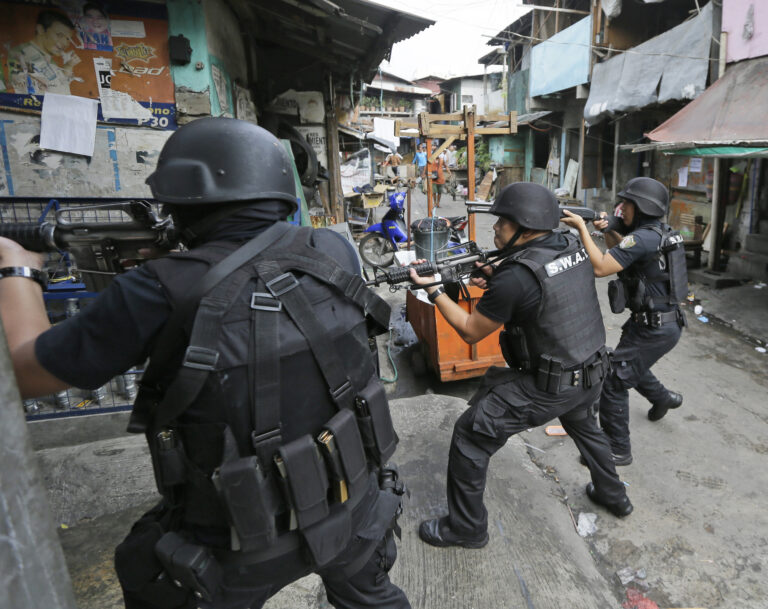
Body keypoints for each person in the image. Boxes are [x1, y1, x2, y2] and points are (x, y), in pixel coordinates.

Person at [0, 118, 410, 609]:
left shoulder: (156, 289)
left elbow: (24, 372)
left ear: (183, 201)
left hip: (237, 541)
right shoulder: (334, 250)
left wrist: (17, 269)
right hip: (353, 502)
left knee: (141, 564)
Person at [410, 182, 632, 549]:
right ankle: (614, 494)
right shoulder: (568, 244)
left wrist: (433, 290)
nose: (494, 229)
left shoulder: (516, 276)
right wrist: (496, 277)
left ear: (526, 230)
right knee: (584, 427)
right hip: (591, 368)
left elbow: (470, 331)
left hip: (551, 384)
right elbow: (545, 289)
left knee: (470, 434)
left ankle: (466, 529)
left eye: (503, 223)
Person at [562, 177, 687, 466]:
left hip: (655, 327)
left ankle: (618, 449)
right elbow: (622, 255)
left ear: (641, 207)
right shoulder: (656, 233)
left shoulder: (642, 237)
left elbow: (601, 267)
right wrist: (607, 230)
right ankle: (663, 398)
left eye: (626, 205)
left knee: (614, 381)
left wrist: (583, 230)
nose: (620, 209)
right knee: (626, 363)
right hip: (653, 323)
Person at [8, 10, 80, 95]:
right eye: (59, 35)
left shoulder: (46, 57)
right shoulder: (22, 53)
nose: (65, 43)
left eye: (68, 39)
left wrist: (69, 65)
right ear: (41, 29)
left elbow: (57, 84)